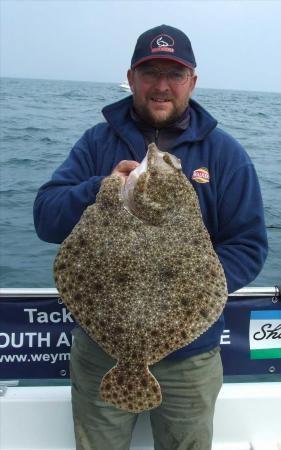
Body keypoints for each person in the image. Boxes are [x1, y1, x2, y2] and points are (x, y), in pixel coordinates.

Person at [34, 24, 268, 450]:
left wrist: (185, 290)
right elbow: (46, 220)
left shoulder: (226, 155)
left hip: (190, 358)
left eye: (174, 74)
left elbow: (249, 247)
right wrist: (98, 188)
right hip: (101, 351)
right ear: (131, 78)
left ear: (192, 82)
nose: (162, 86)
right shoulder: (95, 143)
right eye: (150, 73)